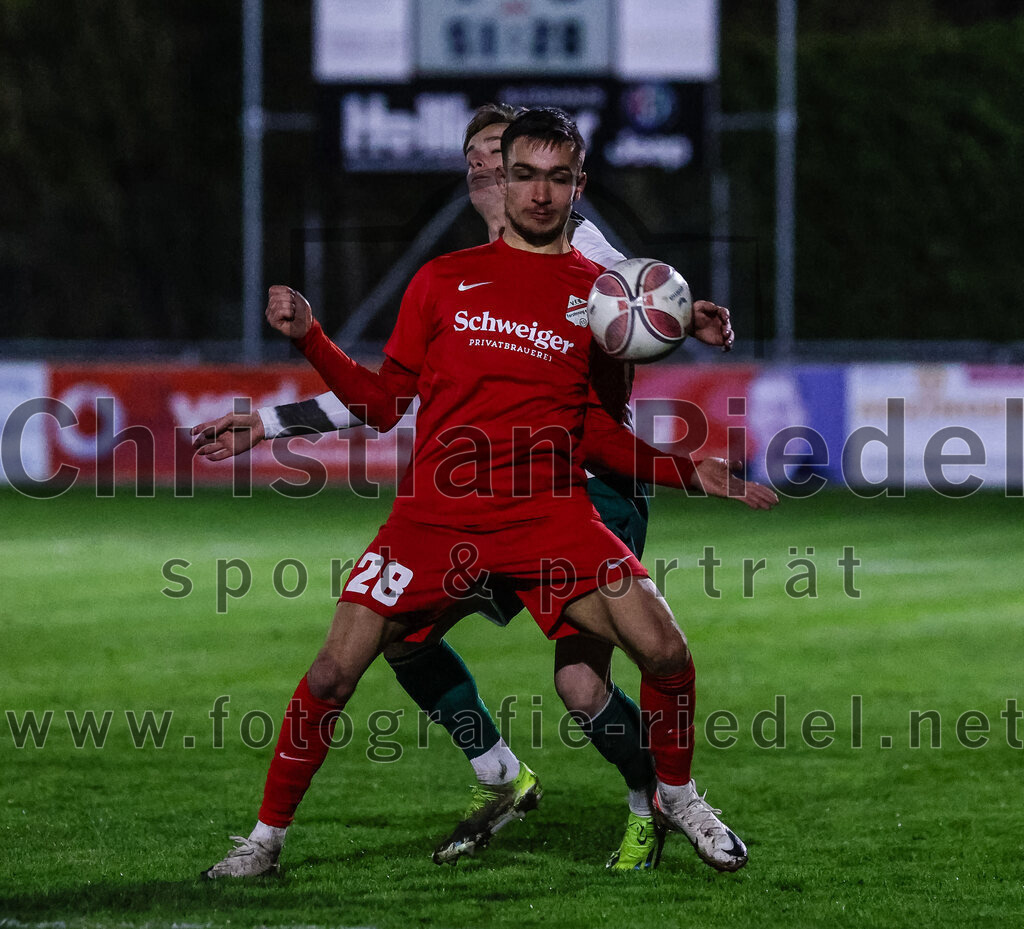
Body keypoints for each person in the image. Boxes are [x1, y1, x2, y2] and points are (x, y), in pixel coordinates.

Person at [199, 107, 775, 880]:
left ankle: (676, 796)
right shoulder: (441, 280)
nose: (540, 193)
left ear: (578, 185)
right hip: (434, 518)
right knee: (337, 669)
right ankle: (265, 841)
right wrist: (310, 336)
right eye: (524, 174)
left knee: (664, 649)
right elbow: (380, 403)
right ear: (502, 179)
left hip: (550, 514)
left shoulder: (597, 297)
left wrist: (684, 466)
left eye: (559, 178)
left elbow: (596, 431)